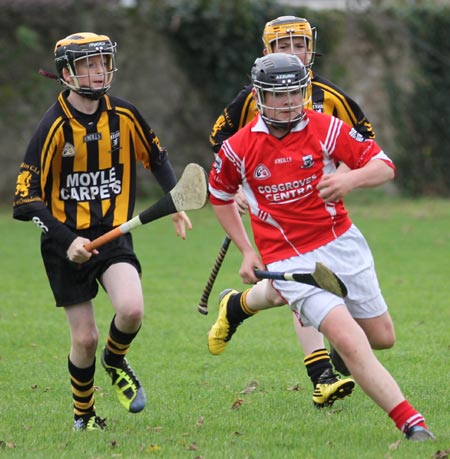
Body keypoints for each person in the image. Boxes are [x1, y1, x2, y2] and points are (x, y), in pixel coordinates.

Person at [207, 52, 435, 441]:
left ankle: (238, 304)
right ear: (259, 96)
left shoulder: (326, 128)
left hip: (342, 244)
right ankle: (412, 424)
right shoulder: (239, 147)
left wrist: (351, 180)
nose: (288, 102)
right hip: (288, 257)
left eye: (295, 93)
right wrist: (247, 250)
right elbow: (220, 195)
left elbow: (384, 165)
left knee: (381, 338)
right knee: (348, 340)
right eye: (278, 96)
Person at [12, 32, 192, 431]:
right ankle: (84, 416)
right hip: (65, 242)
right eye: (87, 65)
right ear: (67, 73)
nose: (98, 72)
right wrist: (66, 240)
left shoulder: (124, 115)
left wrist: (174, 199)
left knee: (131, 310)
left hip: (113, 233)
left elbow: (157, 156)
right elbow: (26, 200)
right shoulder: (53, 126)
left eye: (102, 62)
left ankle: (116, 359)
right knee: (85, 339)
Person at [208, 15, 387, 408]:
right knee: (305, 282)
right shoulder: (251, 97)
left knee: (286, 288)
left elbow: (366, 142)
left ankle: (236, 305)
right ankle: (322, 376)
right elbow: (221, 144)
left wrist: (342, 176)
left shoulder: (330, 96)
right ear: (266, 51)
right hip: (275, 210)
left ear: (312, 47)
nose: (293, 52)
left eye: (300, 44)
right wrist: (239, 189)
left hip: (323, 209)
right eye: (282, 45)